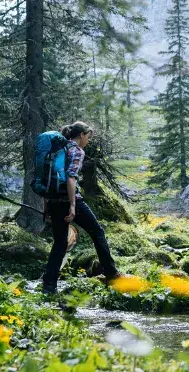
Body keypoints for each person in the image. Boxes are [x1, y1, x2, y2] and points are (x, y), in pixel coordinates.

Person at [42, 121, 120, 295]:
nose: (88, 141)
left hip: (53, 201)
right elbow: (70, 178)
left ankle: (48, 286)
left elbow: (47, 180)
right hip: (69, 200)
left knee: (60, 242)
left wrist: (46, 207)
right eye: (88, 137)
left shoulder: (57, 150)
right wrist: (72, 205)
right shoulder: (76, 150)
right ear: (81, 135)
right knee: (97, 232)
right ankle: (111, 274)